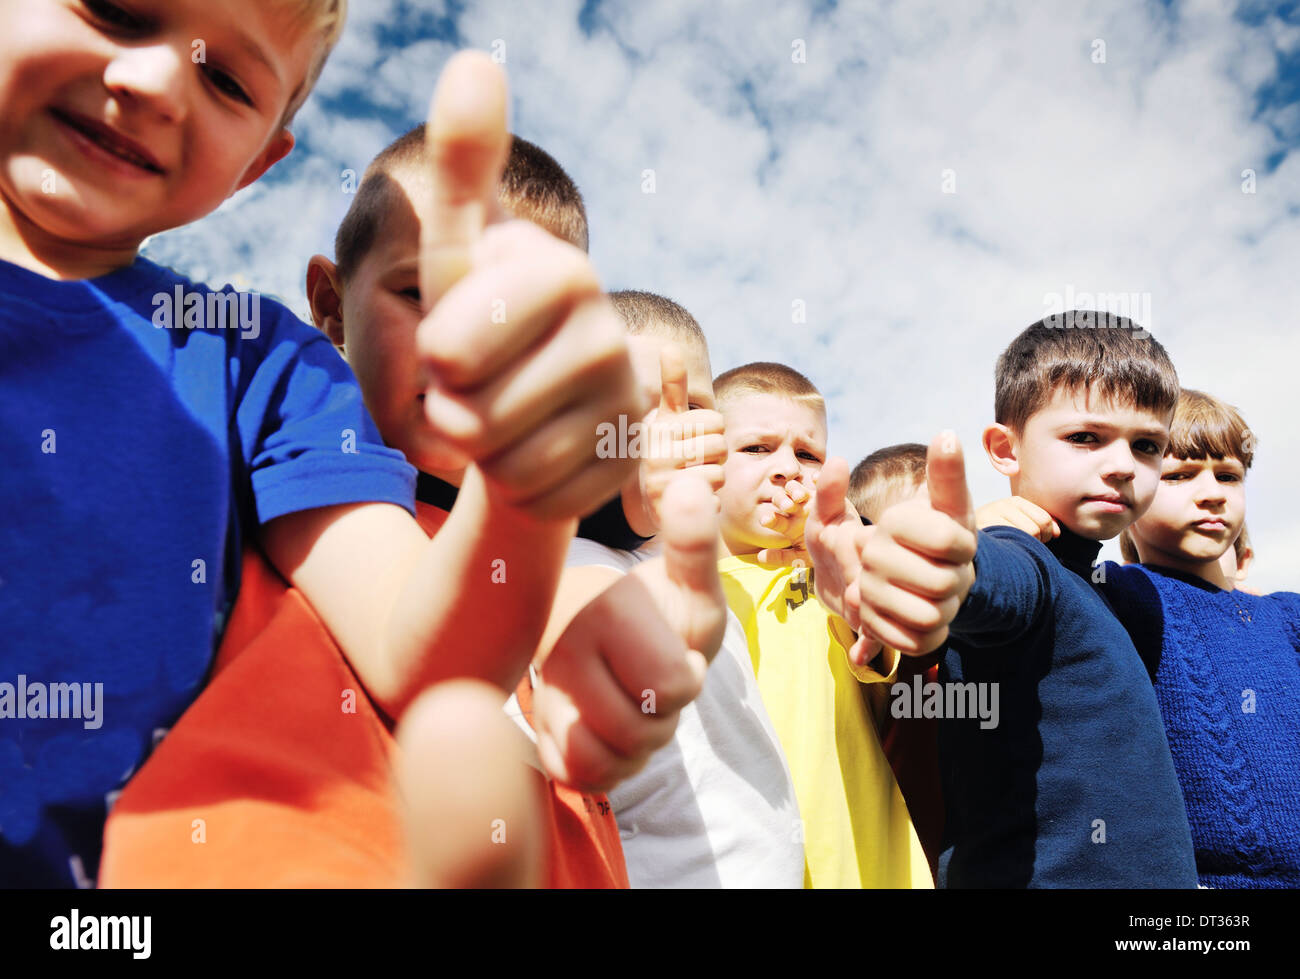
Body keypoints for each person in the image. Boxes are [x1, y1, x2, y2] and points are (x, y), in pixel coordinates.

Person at [101, 91, 722, 886]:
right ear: (330, 305)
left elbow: (597, 558)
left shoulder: (568, 538)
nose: (470, 347)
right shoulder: (257, 422)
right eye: (420, 293)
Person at [844, 312, 1198, 887]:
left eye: (1147, 445)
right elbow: (997, 584)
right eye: (1085, 437)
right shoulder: (1022, 555)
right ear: (1004, 450)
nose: (1122, 466)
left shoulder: (1101, 588)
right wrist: (949, 567)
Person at [537, 292, 803, 888]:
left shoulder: (699, 551)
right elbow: (597, 639)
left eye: (691, 406)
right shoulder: (563, 561)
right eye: (630, 409)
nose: (668, 432)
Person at [711, 362, 932, 888]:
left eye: (808, 454)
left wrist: (851, 563)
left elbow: (880, 649)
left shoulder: (839, 570)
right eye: (757, 448)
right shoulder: (675, 585)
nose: (789, 467)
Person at [1099, 390, 1300, 888]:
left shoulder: (1284, 615)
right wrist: (1006, 524)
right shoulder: (1126, 594)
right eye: (1179, 475)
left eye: (1228, 475)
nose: (1213, 493)